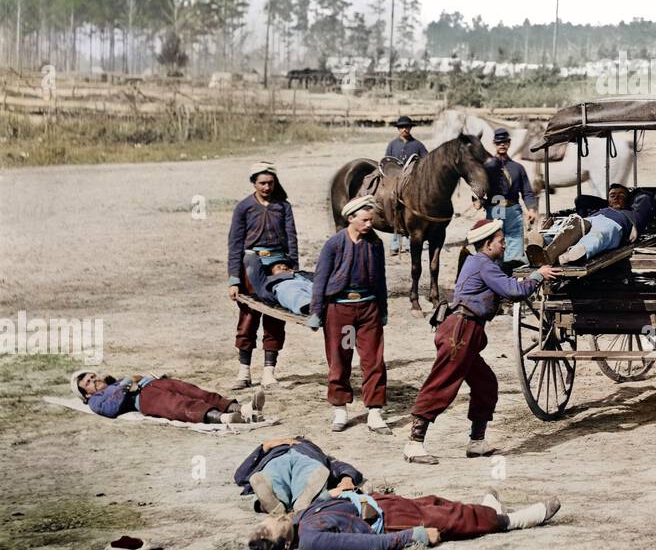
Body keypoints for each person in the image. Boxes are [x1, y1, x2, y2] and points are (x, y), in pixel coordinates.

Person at [405, 219, 559, 463]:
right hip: (460, 331)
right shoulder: (482, 263)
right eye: (500, 240)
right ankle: (414, 444)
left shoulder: (482, 262)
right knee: (442, 384)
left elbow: (504, 281)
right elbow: (513, 291)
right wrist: (538, 276)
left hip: (468, 332)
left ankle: (477, 442)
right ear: (487, 244)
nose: (505, 243)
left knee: (485, 384)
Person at [248, 485, 561, 550]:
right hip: (390, 521)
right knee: (452, 519)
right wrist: (416, 537)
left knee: (439, 503)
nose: (273, 519)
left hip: (378, 501)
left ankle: (487, 510)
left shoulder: (300, 519)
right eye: (269, 528)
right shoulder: (313, 541)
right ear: (284, 543)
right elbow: (366, 545)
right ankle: (512, 521)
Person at [310, 195, 390, 435]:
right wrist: (316, 311)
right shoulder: (334, 244)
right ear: (351, 218)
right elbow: (320, 279)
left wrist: (383, 310)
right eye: (365, 220)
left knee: (373, 359)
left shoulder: (375, 244)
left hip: (368, 310)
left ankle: (374, 412)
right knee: (340, 358)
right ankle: (340, 409)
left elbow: (381, 280)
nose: (369, 224)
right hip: (341, 311)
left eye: (371, 220)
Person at [227, 161, 299, 389]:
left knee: (275, 317)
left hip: (278, 265)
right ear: (253, 183)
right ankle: (244, 372)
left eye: (270, 182)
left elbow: (292, 238)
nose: (267, 187)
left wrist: (293, 266)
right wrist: (234, 279)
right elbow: (235, 244)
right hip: (251, 265)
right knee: (248, 318)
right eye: (262, 183)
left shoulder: (283, 207)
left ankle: (269, 372)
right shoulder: (243, 208)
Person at [73, 369, 263, 425]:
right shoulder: (96, 401)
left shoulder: (113, 382)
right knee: (178, 405)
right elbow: (111, 409)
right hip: (143, 399)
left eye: (92, 376)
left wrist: (132, 379)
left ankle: (243, 409)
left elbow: (135, 378)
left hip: (153, 384)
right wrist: (126, 383)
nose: (94, 380)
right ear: (86, 394)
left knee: (196, 392)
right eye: (88, 383)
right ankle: (224, 418)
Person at [526, 184, 653, 266]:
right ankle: (542, 244)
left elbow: (645, 199)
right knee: (570, 229)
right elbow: (581, 199)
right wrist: (605, 203)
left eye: (621, 195)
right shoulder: (600, 209)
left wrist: (633, 195)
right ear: (607, 199)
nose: (616, 198)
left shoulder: (632, 214)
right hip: (591, 220)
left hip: (614, 224)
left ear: (628, 199)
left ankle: (575, 253)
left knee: (599, 235)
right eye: (612, 195)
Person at [234, 436, 365, 515]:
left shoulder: (316, 453)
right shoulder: (273, 450)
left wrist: (347, 477)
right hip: (279, 458)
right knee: (274, 475)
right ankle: (280, 501)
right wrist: (265, 446)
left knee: (306, 473)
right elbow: (240, 475)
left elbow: (341, 467)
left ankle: (287, 501)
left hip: (305, 459)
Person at [483, 126, 538, 267]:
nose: (502, 145)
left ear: (509, 144)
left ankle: (511, 280)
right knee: (495, 244)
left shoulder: (518, 168)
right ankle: (495, 278)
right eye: (499, 142)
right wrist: (477, 199)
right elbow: (478, 188)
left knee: (515, 247)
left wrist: (531, 209)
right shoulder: (486, 167)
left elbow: (527, 192)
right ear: (494, 144)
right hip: (495, 208)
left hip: (513, 210)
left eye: (505, 142)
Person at [384, 116, 428, 255]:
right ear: (398, 129)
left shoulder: (418, 145)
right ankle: (395, 244)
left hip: (411, 183)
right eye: (402, 127)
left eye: (407, 127)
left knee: (412, 211)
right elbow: (387, 161)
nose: (405, 129)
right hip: (396, 182)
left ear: (410, 128)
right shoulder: (392, 144)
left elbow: (426, 162)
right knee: (394, 208)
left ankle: (410, 242)